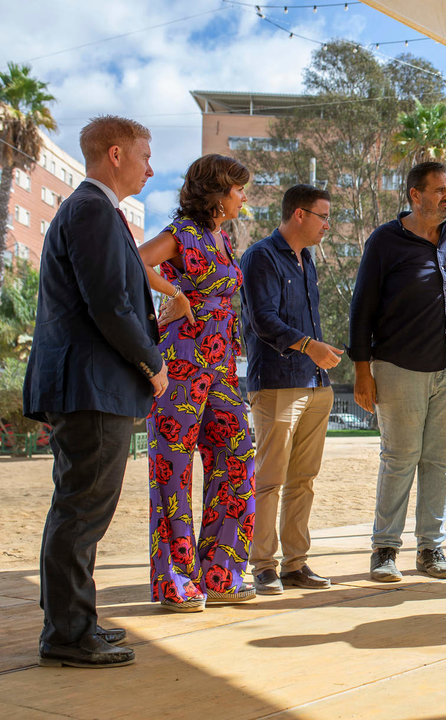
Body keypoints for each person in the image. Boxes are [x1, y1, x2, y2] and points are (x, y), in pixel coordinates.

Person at [24, 115, 166, 667]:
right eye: (144, 156)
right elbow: (111, 305)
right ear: (114, 154)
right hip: (91, 386)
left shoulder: (93, 211)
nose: (151, 168)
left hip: (92, 385)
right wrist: (153, 364)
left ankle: (75, 621)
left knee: (81, 512)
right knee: (81, 513)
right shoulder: (91, 210)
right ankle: (66, 634)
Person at [349, 161, 446, 582]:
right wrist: (362, 370)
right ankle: (385, 549)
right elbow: (362, 309)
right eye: (439, 190)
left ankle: (431, 548)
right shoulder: (384, 241)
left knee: (440, 459)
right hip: (399, 366)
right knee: (399, 457)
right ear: (415, 194)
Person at [138, 154, 256, 612]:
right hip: (182, 361)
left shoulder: (220, 238)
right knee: (173, 469)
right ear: (218, 192)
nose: (243, 196)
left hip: (223, 365)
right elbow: (133, 261)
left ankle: (220, 572)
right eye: (238, 188)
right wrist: (174, 294)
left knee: (238, 455)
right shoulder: (182, 234)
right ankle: (175, 580)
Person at [240, 184, 343, 595]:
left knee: (304, 480)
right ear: (298, 214)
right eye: (323, 216)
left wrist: (318, 355)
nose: (327, 225)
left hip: (316, 385)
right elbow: (262, 320)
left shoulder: (308, 261)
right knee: (269, 479)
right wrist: (309, 346)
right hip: (277, 385)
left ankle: (295, 564)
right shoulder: (260, 257)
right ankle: (262, 565)